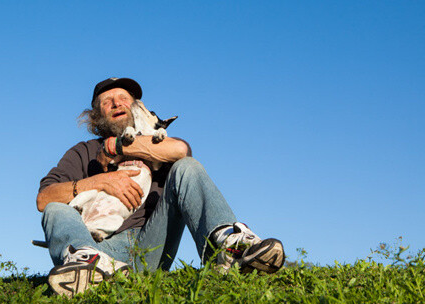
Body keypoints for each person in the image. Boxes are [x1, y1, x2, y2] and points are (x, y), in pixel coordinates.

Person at [37, 77, 285, 296]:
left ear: (136, 107)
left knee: (186, 166)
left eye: (124, 98)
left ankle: (230, 247)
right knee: (55, 210)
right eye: (107, 101)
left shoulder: (155, 143)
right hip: (101, 249)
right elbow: (43, 198)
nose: (117, 103)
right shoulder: (84, 151)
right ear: (96, 115)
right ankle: (88, 264)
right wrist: (99, 181)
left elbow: (181, 150)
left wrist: (117, 148)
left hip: (150, 247)